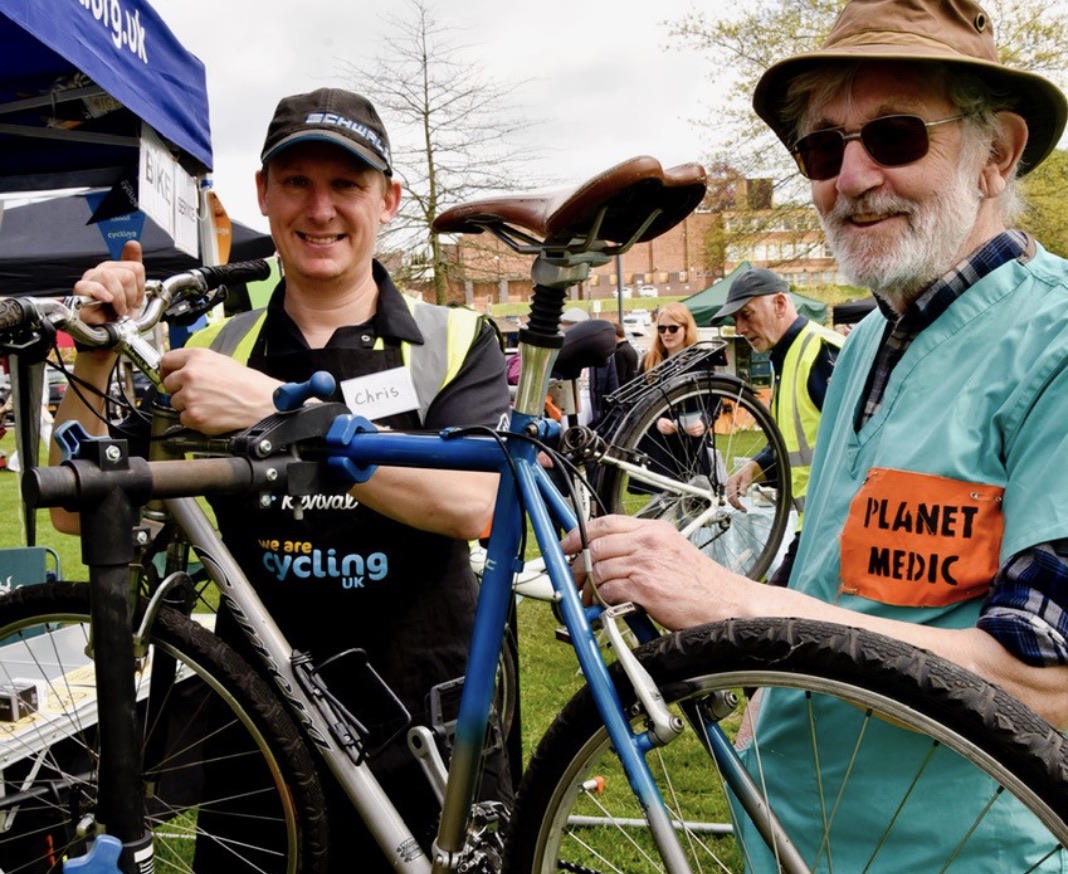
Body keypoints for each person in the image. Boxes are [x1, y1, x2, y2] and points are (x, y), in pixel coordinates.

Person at [563, 0, 1068, 867]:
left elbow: (1047, 683)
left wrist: (738, 608)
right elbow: (848, 567)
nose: (852, 176)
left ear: (997, 154)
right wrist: (769, 684)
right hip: (792, 831)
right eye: (821, 149)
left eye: (897, 136)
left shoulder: (1054, 345)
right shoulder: (872, 335)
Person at [50, 87, 512, 871]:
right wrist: (94, 349)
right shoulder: (216, 351)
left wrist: (276, 412)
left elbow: (477, 504)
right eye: (296, 182)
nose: (321, 208)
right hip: (259, 741)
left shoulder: (454, 339)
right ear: (263, 195)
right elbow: (80, 508)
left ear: (388, 199)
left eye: (347, 184)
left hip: (424, 729)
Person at [718, 267, 843, 584]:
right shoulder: (785, 356)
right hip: (817, 524)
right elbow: (794, 443)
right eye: (735, 320)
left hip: (836, 526)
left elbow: (861, 441)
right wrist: (754, 469)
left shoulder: (820, 352)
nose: (740, 328)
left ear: (780, 303)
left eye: (747, 315)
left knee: (778, 622)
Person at [612, 321, 639, 385]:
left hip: (624, 391)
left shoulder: (619, 352)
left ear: (615, 335)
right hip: (631, 388)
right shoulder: (630, 348)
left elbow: (620, 377)